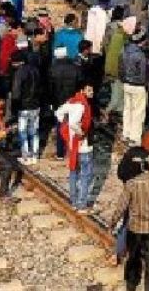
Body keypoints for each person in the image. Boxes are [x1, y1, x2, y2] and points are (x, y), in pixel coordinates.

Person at [108, 156, 149, 291]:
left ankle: (131, 285)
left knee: (133, 258)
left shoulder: (131, 184)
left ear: (143, 167)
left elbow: (121, 206)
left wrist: (113, 223)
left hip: (134, 228)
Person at [55, 80, 96, 212]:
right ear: (82, 90)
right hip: (83, 145)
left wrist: (65, 124)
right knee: (85, 175)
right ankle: (81, 204)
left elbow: (58, 112)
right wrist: (81, 132)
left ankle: (73, 200)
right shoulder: (82, 106)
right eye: (89, 90)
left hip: (72, 145)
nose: (92, 93)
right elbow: (74, 123)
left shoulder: (72, 102)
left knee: (73, 172)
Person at [11, 49, 42, 165]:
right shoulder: (35, 70)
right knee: (34, 131)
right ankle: (35, 155)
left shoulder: (19, 73)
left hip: (23, 106)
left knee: (23, 131)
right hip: (36, 105)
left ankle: (26, 155)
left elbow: (16, 91)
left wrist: (14, 107)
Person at [120, 22, 149, 145]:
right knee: (138, 113)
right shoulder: (140, 55)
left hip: (126, 84)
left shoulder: (124, 51)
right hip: (138, 86)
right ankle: (135, 138)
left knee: (127, 110)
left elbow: (120, 68)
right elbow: (143, 74)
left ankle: (125, 134)